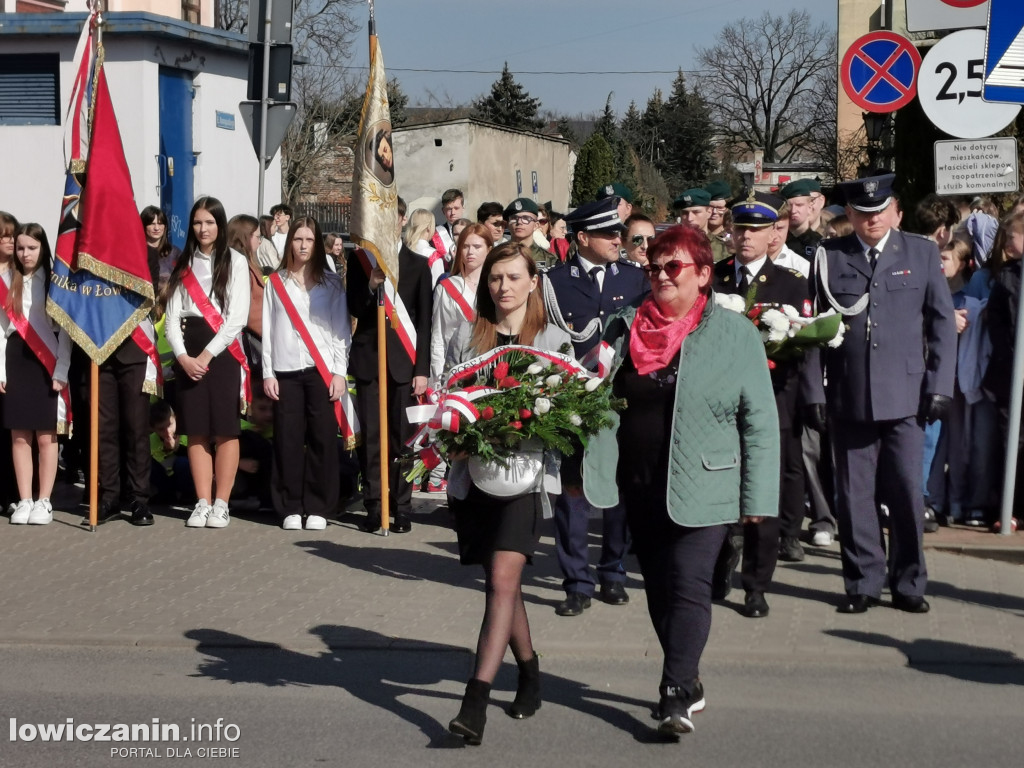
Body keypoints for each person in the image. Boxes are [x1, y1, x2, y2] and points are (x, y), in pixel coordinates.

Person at [583, 224, 779, 737]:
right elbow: (595, 399)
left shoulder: (734, 333)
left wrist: (757, 498)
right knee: (660, 590)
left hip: (707, 484)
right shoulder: (623, 327)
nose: (661, 275)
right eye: (654, 267)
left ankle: (673, 690)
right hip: (640, 484)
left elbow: (759, 421)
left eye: (674, 267)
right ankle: (688, 679)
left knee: (689, 585)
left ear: (704, 274)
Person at [802, 174, 957, 614]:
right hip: (849, 395)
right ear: (849, 215)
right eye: (862, 213)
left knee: (907, 492)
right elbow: (813, 331)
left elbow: (942, 325)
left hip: (907, 397)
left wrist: (940, 386)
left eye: (880, 211)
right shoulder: (830, 257)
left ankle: (908, 581)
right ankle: (863, 582)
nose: (871, 220)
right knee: (853, 496)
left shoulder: (922, 253)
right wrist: (815, 391)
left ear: (897, 212)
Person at [445, 242, 571, 745]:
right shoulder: (467, 335)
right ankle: (531, 671)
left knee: (502, 578)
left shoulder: (555, 341)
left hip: (528, 475)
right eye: (495, 278)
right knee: (505, 583)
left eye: (513, 277)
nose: (503, 287)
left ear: (533, 282)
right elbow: (447, 398)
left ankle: (474, 700)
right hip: (476, 477)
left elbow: (567, 412)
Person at [542, 196, 648, 616]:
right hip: (573, 401)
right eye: (608, 234)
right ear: (582, 237)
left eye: (618, 233)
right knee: (572, 493)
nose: (617, 240)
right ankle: (576, 581)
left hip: (620, 402)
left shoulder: (634, 279)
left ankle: (613, 571)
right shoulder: (554, 281)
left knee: (617, 490)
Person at [712, 193, 809, 618]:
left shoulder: (791, 283)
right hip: (718, 405)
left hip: (770, 401)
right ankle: (716, 567)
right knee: (717, 491)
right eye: (739, 228)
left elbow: (805, 345)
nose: (745, 236)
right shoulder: (712, 278)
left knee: (761, 496)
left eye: (755, 229)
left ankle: (756, 584)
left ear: (774, 234)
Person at [164, 197, 251, 530]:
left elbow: (236, 318)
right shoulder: (182, 262)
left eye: (210, 222)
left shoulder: (236, 261)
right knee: (196, 430)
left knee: (226, 430)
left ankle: (221, 503)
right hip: (190, 347)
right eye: (198, 222)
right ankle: (201, 502)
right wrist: (183, 356)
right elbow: (171, 318)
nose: (203, 229)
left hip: (222, 352)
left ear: (220, 224)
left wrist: (205, 356)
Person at [346, 203, 433, 534]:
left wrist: (421, 369)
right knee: (372, 438)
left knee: (403, 439)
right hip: (370, 361)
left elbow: (424, 323)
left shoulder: (418, 265)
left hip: (404, 365)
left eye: (393, 217)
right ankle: (373, 505)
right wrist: (371, 284)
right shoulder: (361, 263)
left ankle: (403, 506)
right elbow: (353, 307)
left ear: (401, 220)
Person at [263, 216, 350, 531]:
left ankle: (318, 506)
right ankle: (290, 505)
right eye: (298, 239)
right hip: (285, 370)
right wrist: (268, 372)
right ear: (290, 243)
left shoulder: (331, 283)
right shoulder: (276, 282)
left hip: (321, 370)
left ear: (317, 244)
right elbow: (268, 329)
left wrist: (340, 372)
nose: (302, 245)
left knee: (323, 439)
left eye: (309, 240)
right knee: (287, 439)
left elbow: (341, 330)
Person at [1, 223, 72, 526]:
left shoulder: (55, 282)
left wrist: (62, 369)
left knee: (46, 436)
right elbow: (2, 331)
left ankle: (44, 500)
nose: (25, 253)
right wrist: (1, 370)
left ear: (42, 248)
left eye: (32, 247)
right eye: (20, 248)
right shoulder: (7, 280)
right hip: (16, 359)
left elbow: (67, 332)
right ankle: (25, 499)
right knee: (19, 436)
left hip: (47, 362)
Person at [980, 212, 1024, 527]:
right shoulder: (1007, 275)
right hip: (1010, 372)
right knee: (1011, 439)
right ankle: (1009, 508)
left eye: (1012, 237)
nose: (1006, 243)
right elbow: (994, 317)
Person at [0, 211, 18, 514]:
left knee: (13, 431)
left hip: (16, 361)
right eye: (4, 235)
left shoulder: (21, 274)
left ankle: (13, 493)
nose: (10, 241)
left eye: (13, 235)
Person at [673, 189, 729, 262]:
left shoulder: (724, 249)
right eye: (685, 213)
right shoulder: (670, 246)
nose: (690, 218)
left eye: (696, 212)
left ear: (709, 212)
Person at [504, 198, 555, 270]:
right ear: (508, 224)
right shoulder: (497, 255)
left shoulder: (549, 259)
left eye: (526, 218)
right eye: (514, 218)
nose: (519, 222)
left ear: (536, 225)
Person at [781, 179, 824, 261]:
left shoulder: (819, 244)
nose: (793, 211)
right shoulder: (777, 241)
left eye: (799, 205)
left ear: (810, 207)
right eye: (789, 206)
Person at [141, 205, 181, 288]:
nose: (156, 228)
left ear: (165, 226)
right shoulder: (137, 252)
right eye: (152, 224)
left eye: (160, 224)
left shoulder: (175, 253)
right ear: (143, 226)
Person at [436, 188, 465, 254]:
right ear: (443, 211)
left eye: (456, 208)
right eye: (449, 209)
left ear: (463, 209)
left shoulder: (472, 230)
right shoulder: (436, 234)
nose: (453, 213)